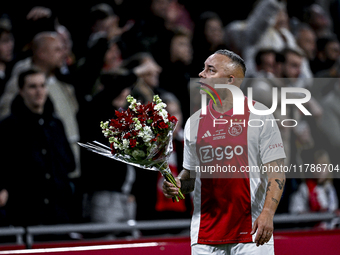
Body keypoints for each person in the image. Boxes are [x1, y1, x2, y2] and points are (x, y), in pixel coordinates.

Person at [163, 49, 286, 254]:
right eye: (203, 69)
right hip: (205, 235)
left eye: (210, 70)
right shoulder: (194, 123)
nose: (201, 75)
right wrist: (177, 184)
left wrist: (268, 213)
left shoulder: (260, 115)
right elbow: (190, 176)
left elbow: (277, 171)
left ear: (230, 80)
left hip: (252, 231)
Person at [0, 31, 81, 178]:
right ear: (41, 53)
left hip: (64, 173)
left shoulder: (63, 83)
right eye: (57, 49)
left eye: (42, 86)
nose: (63, 53)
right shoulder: (19, 82)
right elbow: (7, 127)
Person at [0, 68, 76, 226]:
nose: (39, 91)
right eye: (32, 86)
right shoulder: (9, 127)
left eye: (42, 85)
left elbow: (68, 162)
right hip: (26, 211)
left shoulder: (55, 124)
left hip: (59, 212)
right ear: (21, 91)